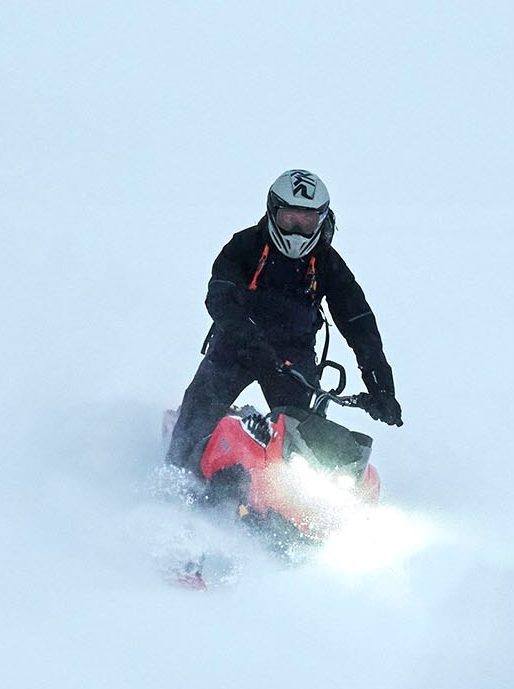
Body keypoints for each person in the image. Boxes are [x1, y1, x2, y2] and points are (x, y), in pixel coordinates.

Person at [163, 169, 399, 473]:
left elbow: (359, 322)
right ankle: (176, 480)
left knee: (306, 444)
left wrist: (380, 386)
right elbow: (219, 297)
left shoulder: (328, 263)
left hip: (293, 357)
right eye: (290, 218)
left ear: (322, 219)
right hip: (236, 345)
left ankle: (292, 500)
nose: (297, 230)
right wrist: (249, 339)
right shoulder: (244, 246)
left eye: (307, 220)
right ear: (273, 211)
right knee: (196, 415)